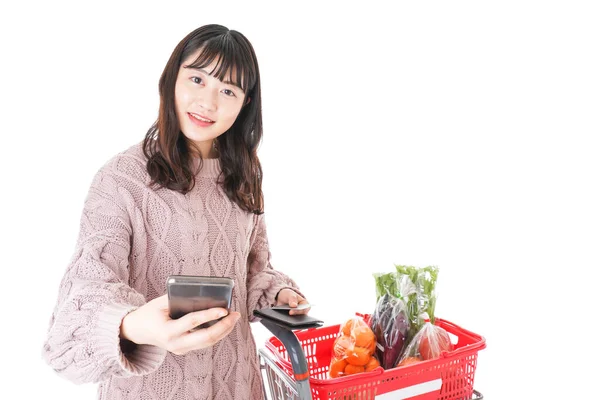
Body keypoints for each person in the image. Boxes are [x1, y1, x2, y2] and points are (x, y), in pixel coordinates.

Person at [41, 24, 310, 400]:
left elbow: (250, 271)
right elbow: (76, 313)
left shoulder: (244, 175)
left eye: (227, 90)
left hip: (235, 386)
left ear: (245, 103)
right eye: (197, 79)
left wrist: (276, 293)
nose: (208, 102)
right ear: (171, 79)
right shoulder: (120, 180)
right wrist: (136, 326)